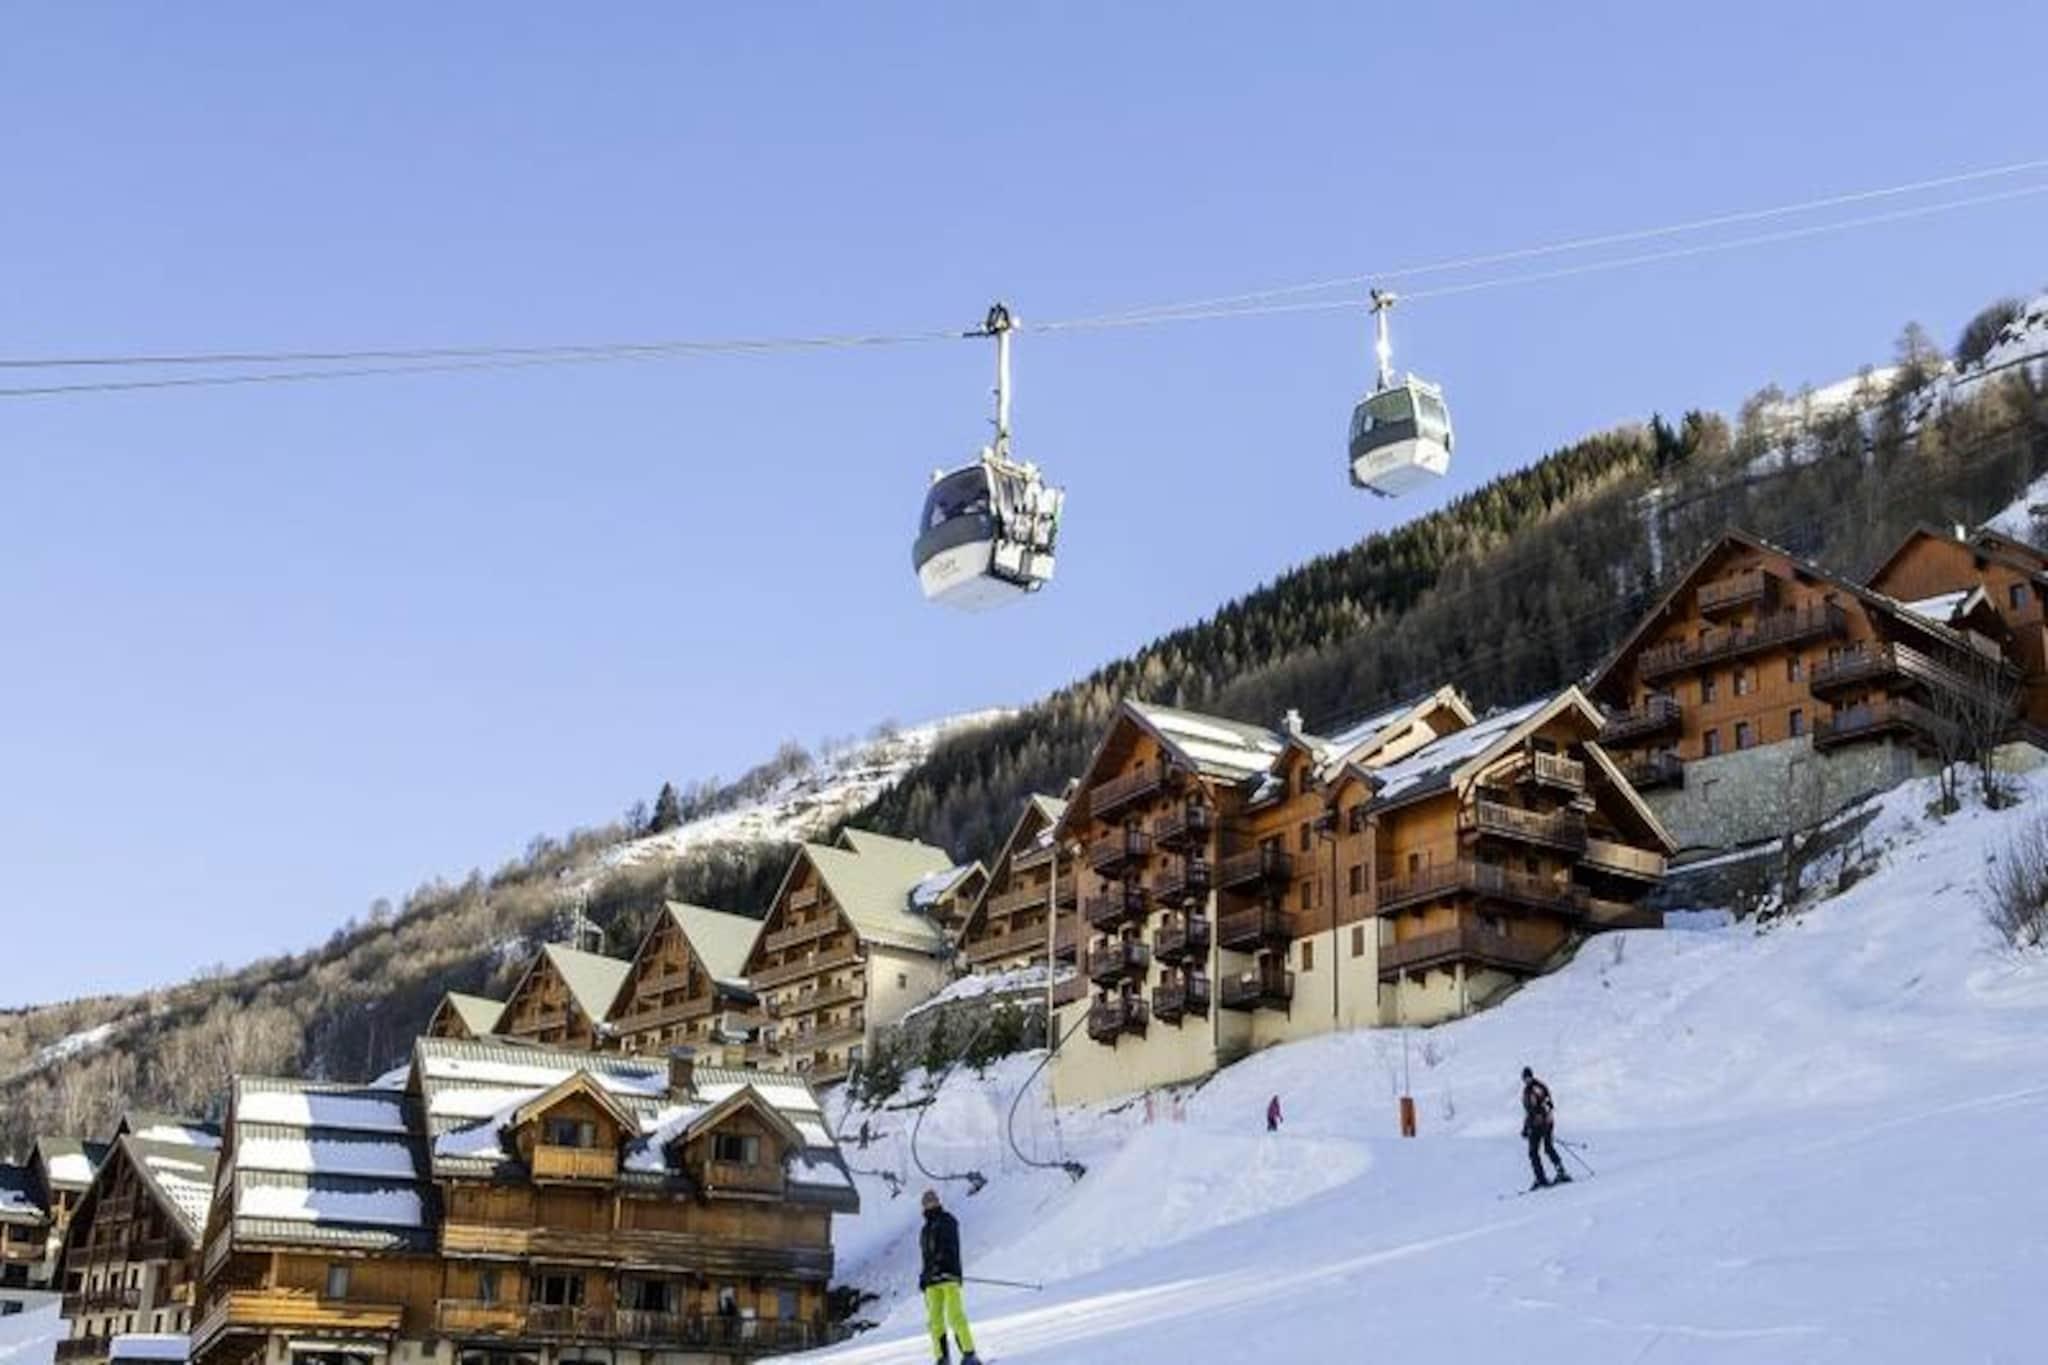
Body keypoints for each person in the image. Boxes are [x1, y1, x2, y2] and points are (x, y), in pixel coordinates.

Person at [918, 1189, 980, 1365]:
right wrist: (924, 1276)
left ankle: (969, 1354)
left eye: (933, 1201)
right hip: (932, 1281)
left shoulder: (947, 1221)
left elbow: (950, 1247)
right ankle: (942, 1358)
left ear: (938, 1202)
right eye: (927, 1202)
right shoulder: (925, 1230)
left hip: (948, 1276)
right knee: (934, 1321)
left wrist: (941, 1267)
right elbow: (926, 1257)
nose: (930, 1204)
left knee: (955, 1315)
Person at [1521, 1066, 1570, 1189]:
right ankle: (1540, 1178)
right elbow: (1529, 1111)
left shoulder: (1538, 1087)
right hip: (1534, 1126)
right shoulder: (1526, 1091)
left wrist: (1544, 1118)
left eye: (1528, 1077)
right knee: (1533, 1152)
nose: (1527, 1080)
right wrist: (1526, 1127)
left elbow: (1548, 1104)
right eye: (1525, 1078)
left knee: (1548, 1147)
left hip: (1546, 1123)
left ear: (1532, 1076)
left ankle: (1561, 1171)